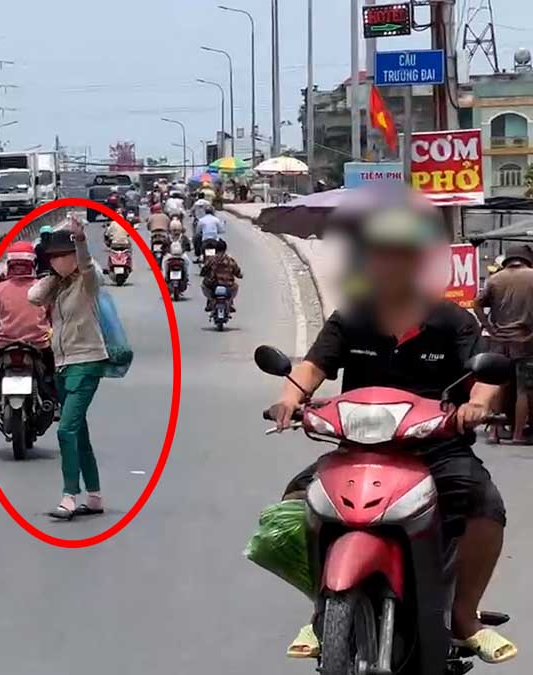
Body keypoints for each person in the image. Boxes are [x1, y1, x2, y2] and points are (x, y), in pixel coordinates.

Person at [267, 190, 515, 664]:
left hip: (436, 448)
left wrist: (477, 406)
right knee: (296, 502)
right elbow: (313, 367)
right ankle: (323, 609)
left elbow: (484, 377)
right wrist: (288, 398)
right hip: (358, 449)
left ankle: (464, 615)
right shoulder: (352, 319)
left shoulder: (453, 322)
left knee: (484, 502)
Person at [29, 216, 109, 521]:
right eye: (54, 257)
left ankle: (69, 496)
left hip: (87, 361)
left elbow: (89, 268)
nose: (59, 260)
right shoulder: (59, 286)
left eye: (63, 255)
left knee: (66, 430)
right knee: (80, 433)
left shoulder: (88, 282)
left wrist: (81, 243)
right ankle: (95, 496)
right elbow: (32, 297)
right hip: (62, 364)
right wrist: (54, 275)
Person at [0, 241, 54, 421]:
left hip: (4, 345)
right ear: (32, 264)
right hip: (38, 345)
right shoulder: (43, 287)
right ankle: (52, 399)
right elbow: (52, 315)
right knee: (55, 366)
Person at [474, 244, 533, 444]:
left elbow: (477, 303)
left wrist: (488, 327)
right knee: (523, 390)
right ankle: (517, 435)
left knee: (498, 385)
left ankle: (494, 433)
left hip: (499, 341)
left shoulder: (495, 279)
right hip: (525, 342)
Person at [200, 238, 241, 312]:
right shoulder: (230, 260)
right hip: (228, 284)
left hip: (214, 284)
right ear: (225, 249)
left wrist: (203, 274)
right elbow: (237, 271)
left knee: (203, 285)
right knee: (236, 286)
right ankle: (230, 302)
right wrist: (239, 275)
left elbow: (204, 269)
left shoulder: (211, 259)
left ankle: (211, 300)